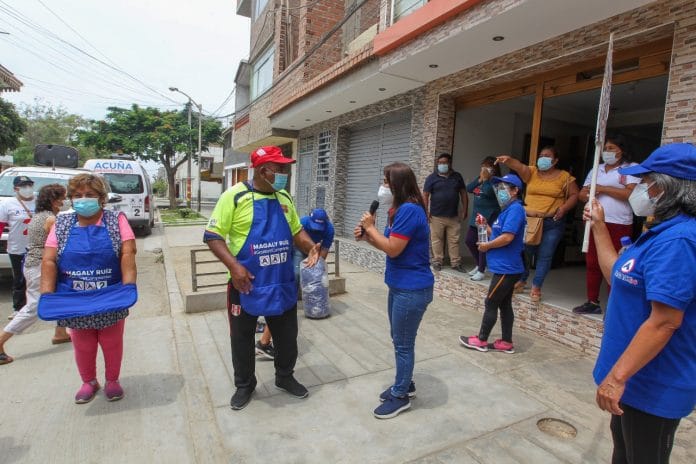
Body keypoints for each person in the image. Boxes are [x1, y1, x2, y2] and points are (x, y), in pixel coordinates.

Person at [586, 143, 695, 464]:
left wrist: (617, 377)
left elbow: (665, 321)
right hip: (635, 379)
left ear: (665, 188)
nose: (638, 189)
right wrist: (599, 226)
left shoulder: (680, 240)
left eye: (645, 182)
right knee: (623, 452)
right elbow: (617, 276)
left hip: (654, 382)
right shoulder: (659, 233)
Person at [204, 146, 320, 411]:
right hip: (246, 285)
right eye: (279, 168)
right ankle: (245, 385)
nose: (284, 173)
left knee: (287, 337)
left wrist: (311, 247)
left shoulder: (284, 198)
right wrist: (234, 267)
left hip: (281, 281)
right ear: (262, 170)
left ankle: (285, 377)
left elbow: (296, 231)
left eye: (285, 168)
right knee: (242, 338)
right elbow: (213, 236)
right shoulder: (234, 196)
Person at [41, 174, 137, 403]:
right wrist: (47, 294)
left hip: (110, 296)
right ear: (71, 199)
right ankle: (89, 382)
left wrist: (129, 287)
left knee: (112, 343)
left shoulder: (116, 220)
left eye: (89, 194)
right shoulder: (61, 224)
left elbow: (128, 252)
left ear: (101, 198)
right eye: (77, 195)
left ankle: (112, 381)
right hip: (75, 298)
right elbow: (49, 260)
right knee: (83, 345)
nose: (83, 199)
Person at [355, 162, 434, 419]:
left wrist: (371, 228)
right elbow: (388, 246)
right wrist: (368, 236)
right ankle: (405, 383)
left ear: (398, 184)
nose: (383, 186)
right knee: (399, 339)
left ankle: (400, 396)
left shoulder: (409, 210)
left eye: (386, 182)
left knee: (403, 344)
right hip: (400, 286)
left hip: (412, 289)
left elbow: (393, 249)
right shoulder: (399, 210)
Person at [496, 147, 579, 302]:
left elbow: (575, 194)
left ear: (555, 160)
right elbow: (520, 166)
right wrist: (508, 160)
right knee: (525, 252)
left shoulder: (565, 177)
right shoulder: (532, 172)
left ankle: (536, 286)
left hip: (552, 222)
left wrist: (564, 208)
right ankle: (521, 280)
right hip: (530, 221)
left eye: (547, 156)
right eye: (541, 155)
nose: (543, 158)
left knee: (545, 255)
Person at [0, 184, 71, 365]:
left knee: (60, 296)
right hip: (40, 266)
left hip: (36, 264)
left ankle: (61, 332)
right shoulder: (50, 219)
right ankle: (0, 341)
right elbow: (60, 243)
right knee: (34, 307)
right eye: (62, 198)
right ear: (53, 200)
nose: (64, 201)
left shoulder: (40, 216)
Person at [459, 174, 526, 354]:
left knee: (491, 302)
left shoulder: (515, 210)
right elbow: (498, 234)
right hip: (503, 266)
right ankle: (506, 342)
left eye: (503, 187)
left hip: (507, 268)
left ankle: (481, 340)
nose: (499, 191)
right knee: (504, 304)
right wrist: (485, 226)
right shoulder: (507, 210)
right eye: (498, 187)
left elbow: (507, 237)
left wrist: (487, 246)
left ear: (515, 190)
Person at [574, 135, 639, 315]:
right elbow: (581, 194)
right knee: (592, 262)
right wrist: (591, 192)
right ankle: (592, 301)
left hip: (619, 222)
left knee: (616, 263)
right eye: (605, 148)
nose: (607, 152)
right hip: (595, 220)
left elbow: (629, 194)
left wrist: (601, 189)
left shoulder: (630, 168)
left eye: (611, 148)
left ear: (622, 150)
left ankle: (613, 304)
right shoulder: (597, 169)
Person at [423, 153, 468, 272]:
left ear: (450, 163)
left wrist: (465, 209)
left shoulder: (457, 176)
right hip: (436, 215)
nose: (442, 165)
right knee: (436, 239)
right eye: (440, 163)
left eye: (444, 163)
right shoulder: (431, 178)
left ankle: (455, 263)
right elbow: (425, 195)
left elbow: (463, 193)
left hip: (453, 215)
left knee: (454, 240)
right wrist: (426, 211)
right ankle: (437, 261)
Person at [0, 176, 36, 320]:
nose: (27, 188)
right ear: (16, 189)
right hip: (17, 247)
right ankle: (19, 308)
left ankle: (36, 306)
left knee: (36, 277)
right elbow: (1, 225)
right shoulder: (7, 204)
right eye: (23, 186)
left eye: (29, 185)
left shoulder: (40, 201)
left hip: (37, 247)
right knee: (20, 278)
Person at [464, 156, 501, 281]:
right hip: (476, 215)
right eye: (483, 166)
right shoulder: (481, 179)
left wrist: (486, 180)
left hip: (488, 216)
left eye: (487, 166)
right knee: (469, 240)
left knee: (482, 242)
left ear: (494, 169)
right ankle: (479, 264)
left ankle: (481, 270)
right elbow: (469, 189)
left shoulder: (496, 182)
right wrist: (480, 179)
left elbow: (490, 193)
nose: (484, 169)